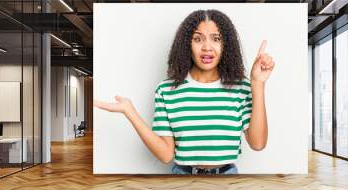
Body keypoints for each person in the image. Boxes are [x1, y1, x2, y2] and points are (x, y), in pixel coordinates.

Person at [94, 9, 275, 175]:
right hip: (182, 176)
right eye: (198, 39)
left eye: (216, 38)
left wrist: (257, 84)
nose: (207, 47)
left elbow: (258, 143)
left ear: (226, 45)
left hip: (228, 177)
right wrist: (130, 112)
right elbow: (165, 155)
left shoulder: (241, 88)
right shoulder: (166, 91)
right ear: (186, 44)